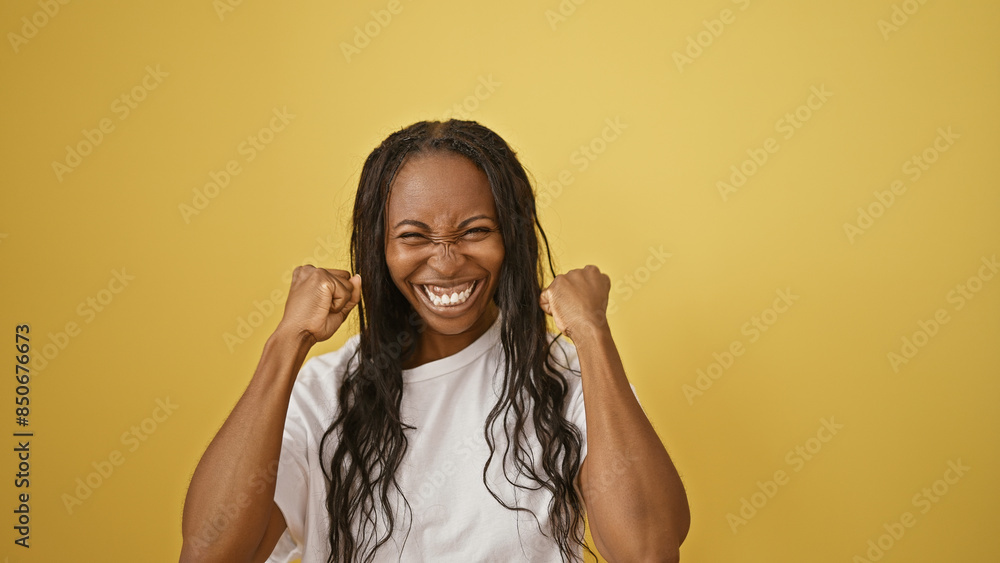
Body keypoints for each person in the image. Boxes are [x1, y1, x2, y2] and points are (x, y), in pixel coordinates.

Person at [180, 120, 690, 563]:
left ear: (510, 237)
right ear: (379, 248)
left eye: (474, 231)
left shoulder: (570, 379)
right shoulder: (323, 393)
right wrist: (286, 343)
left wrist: (594, 336)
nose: (446, 262)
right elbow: (209, 553)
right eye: (413, 236)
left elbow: (648, 550)